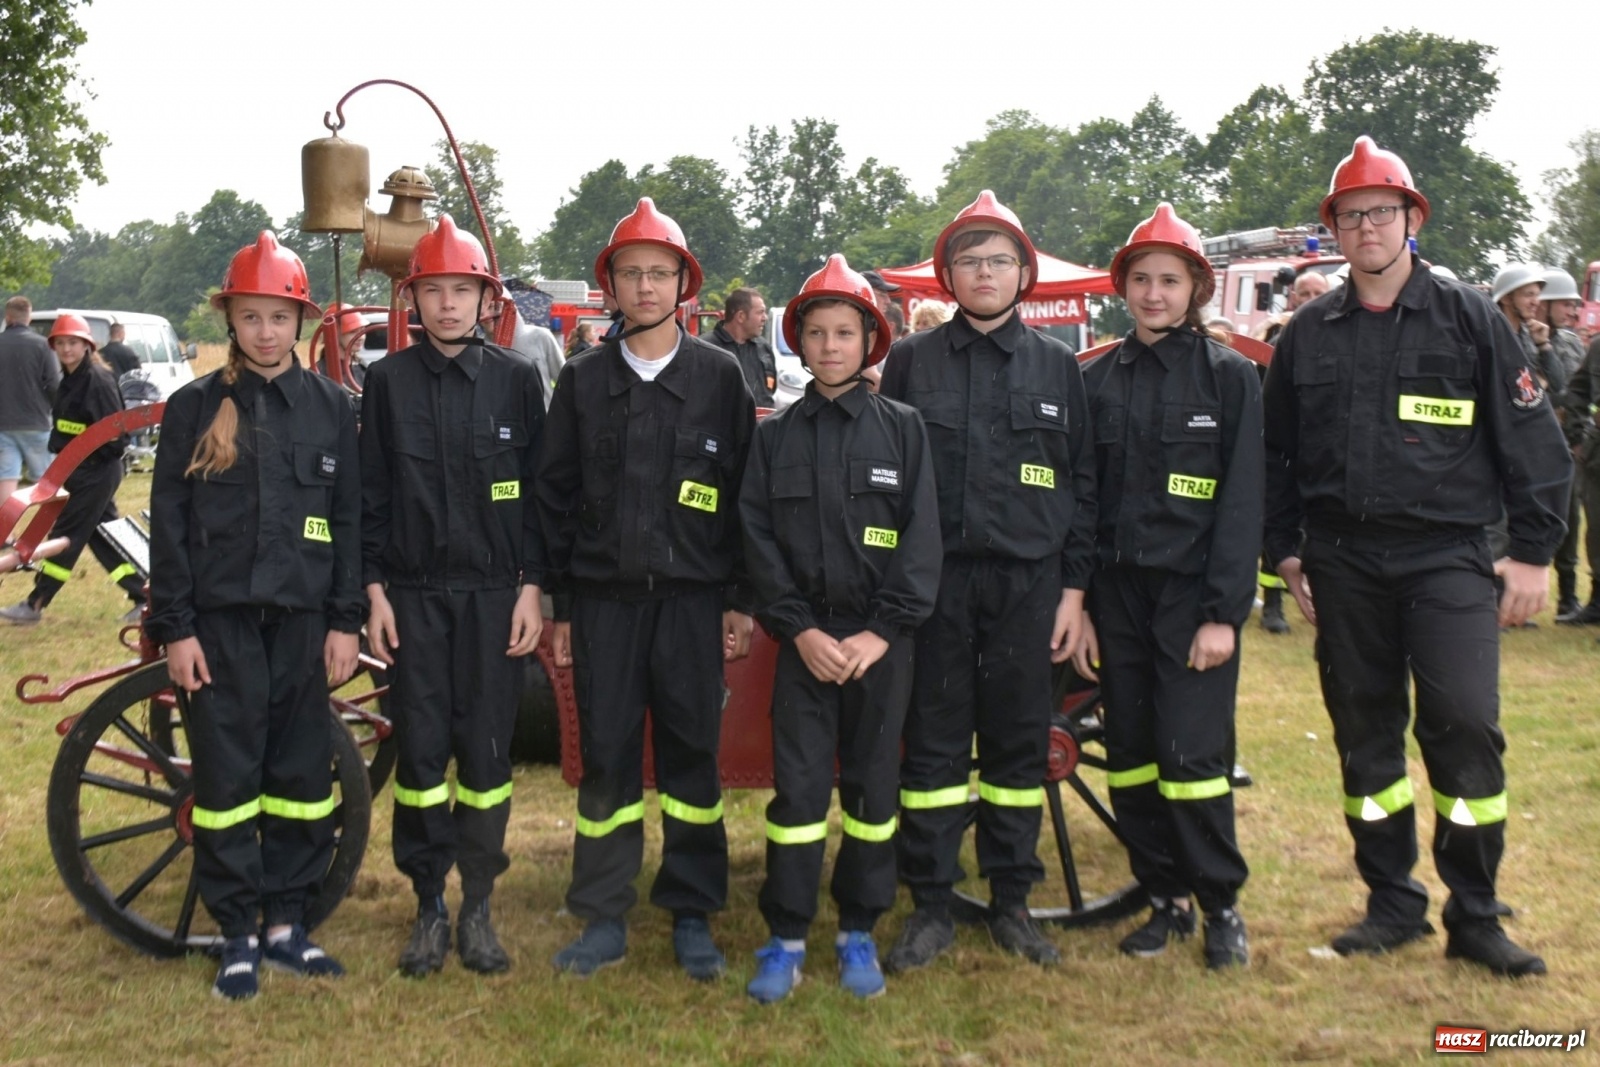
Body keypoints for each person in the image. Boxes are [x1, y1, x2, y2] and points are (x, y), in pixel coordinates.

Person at [1263, 137, 1569, 978]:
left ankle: (1475, 912)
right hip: (1342, 561)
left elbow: (1533, 442)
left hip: (1447, 559)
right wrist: (1284, 553)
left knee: (1464, 725)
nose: (1367, 227)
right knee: (1365, 737)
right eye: (1351, 214)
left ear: (1411, 219)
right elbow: (1274, 457)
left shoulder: (1468, 316)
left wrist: (1533, 555)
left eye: (1382, 212)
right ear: (1334, 229)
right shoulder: (1308, 333)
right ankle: (1391, 903)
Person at [536, 198, 756, 981]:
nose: (646, 286)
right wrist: (561, 606)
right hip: (604, 605)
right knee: (608, 756)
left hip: (693, 604)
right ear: (612, 286)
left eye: (660, 272)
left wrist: (739, 599)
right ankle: (603, 913)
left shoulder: (720, 377)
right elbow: (554, 497)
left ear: (683, 284)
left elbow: (746, 498)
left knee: (693, 755)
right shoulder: (583, 380)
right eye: (631, 273)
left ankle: (692, 909)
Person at [878, 190, 1095, 971]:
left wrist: (1073, 592)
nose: (984, 273)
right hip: (935, 585)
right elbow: (885, 475)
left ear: (1023, 274)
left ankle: (1011, 902)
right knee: (934, 746)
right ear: (949, 275)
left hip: (1028, 586)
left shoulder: (1057, 365)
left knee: (1017, 744)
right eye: (969, 261)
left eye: (999, 260)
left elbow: (1082, 483)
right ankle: (931, 904)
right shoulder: (912, 361)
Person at [145, 232, 363, 1000]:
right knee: (228, 777)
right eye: (250, 316)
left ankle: (286, 924)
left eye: (278, 316)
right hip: (220, 628)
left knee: (301, 773)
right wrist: (176, 628)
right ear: (230, 319)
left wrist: (346, 620)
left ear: (300, 319)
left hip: (304, 625)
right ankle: (237, 931)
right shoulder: (194, 408)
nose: (265, 331)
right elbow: (169, 524)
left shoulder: (333, 409)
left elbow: (348, 521)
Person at [739, 255, 941, 1003]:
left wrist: (882, 632)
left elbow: (922, 538)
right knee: (796, 797)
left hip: (880, 646)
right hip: (806, 645)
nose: (829, 346)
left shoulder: (905, 430)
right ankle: (787, 936)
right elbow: (757, 539)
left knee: (873, 790)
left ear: (870, 341)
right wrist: (798, 631)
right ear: (798, 341)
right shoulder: (775, 437)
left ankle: (859, 928)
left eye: (844, 333)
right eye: (817, 333)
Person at [1074, 204, 1261, 969]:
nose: (1154, 293)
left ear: (1196, 289)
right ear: (1124, 287)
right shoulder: (1093, 380)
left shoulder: (1230, 378)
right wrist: (1081, 602)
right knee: (1131, 752)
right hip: (1116, 597)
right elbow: (1081, 501)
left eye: (1170, 281)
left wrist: (1223, 614)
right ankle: (1165, 898)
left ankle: (1220, 905)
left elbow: (1242, 502)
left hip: (1191, 599)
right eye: (1142, 279)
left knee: (1190, 754)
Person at [360, 215, 546, 978]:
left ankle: (478, 904)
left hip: (495, 598)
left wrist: (533, 587)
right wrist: (373, 589)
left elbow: (540, 497)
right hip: (413, 599)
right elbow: (370, 497)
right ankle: (429, 903)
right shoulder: (386, 383)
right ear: (413, 299)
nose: (446, 304)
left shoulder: (516, 380)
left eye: (460, 291)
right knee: (421, 750)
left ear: (485, 299)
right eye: (432, 290)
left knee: (488, 751)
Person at [0, 314, 147, 625]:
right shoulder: (70, 378)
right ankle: (144, 595)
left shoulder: (97, 381)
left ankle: (35, 604)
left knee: (66, 535)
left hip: (97, 471)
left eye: (73, 343)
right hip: (78, 470)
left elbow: (115, 436)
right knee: (103, 534)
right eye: (61, 343)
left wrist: (83, 455)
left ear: (87, 346)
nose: (67, 349)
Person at [1257, 270, 1330, 635]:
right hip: (1285, 448)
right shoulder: (1278, 338)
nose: (1311, 298)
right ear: (1293, 297)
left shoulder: (1342, 335)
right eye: (1305, 292)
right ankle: (1273, 605)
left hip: (1324, 453)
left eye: (1319, 292)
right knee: (1279, 526)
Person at [1537, 269, 1590, 621]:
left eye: (1574, 304)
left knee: (1569, 521)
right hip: (1530, 445)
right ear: (1545, 303)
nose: (1573, 311)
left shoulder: (1570, 343)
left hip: (1563, 444)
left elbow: (1570, 392)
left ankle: (1567, 598)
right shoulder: (1518, 337)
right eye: (1566, 304)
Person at [0, 295, 62, 502]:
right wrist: (56, 410)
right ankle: (49, 520)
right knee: (46, 480)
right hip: (36, 420)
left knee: (6, 477)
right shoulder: (43, 345)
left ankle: (5, 523)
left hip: (3, 423)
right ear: (29, 318)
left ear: (8, 317)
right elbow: (54, 384)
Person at [701, 287, 777, 406]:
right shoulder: (705, 349)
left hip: (764, 418)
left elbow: (770, 391)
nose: (765, 318)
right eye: (760, 312)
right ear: (741, 316)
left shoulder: (764, 348)